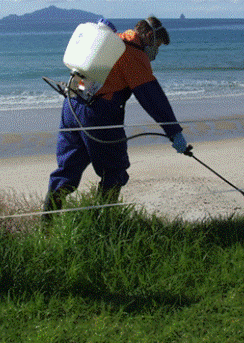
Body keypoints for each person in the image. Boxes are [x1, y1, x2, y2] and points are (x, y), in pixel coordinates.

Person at [43, 16, 188, 220]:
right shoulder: (133, 54)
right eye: (157, 46)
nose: (155, 52)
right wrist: (175, 132)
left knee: (67, 169)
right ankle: (102, 224)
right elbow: (152, 98)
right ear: (148, 35)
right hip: (99, 114)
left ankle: (47, 225)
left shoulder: (113, 41)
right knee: (114, 171)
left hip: (72, 103)